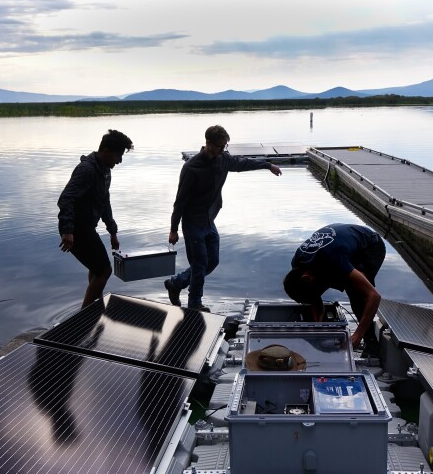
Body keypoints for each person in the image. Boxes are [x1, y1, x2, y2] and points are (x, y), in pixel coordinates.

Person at [165, 125, 282, 311]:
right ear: (208, 144)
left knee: (212, 262)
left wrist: (268, 166)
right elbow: (179, 202)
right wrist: (173, 229)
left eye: (225, 146)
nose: (223, 150)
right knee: (200, 264)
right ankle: (194, 304)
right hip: (193, 223)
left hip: (210, 220)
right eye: (220, 146)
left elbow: (244, 163)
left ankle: (176, 283)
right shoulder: (191, 168)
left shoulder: (223, 159)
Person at [58, 129, 134, 310]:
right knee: (104, 270)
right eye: (118, 155)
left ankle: (95, 307)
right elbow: (66, 198)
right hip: (76, 228)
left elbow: (104, 202)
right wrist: (67, 231)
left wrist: (113, 232)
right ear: (106, 151)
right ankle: (84, 315)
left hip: (86, 228)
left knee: (96, 267)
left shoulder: (105, 171)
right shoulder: (87, 170)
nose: (120, 160)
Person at [283, 223, 386, 355]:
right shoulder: (298, 263)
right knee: (315, 290)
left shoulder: (333, 258)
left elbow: (374, 296)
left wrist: (357, 336)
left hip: (369, 245)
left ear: (307, 278)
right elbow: (313, 297)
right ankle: (319, 326)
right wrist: (316, 333)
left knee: (357, 293)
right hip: (340, 245)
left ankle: (371, 343)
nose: (316, 295)